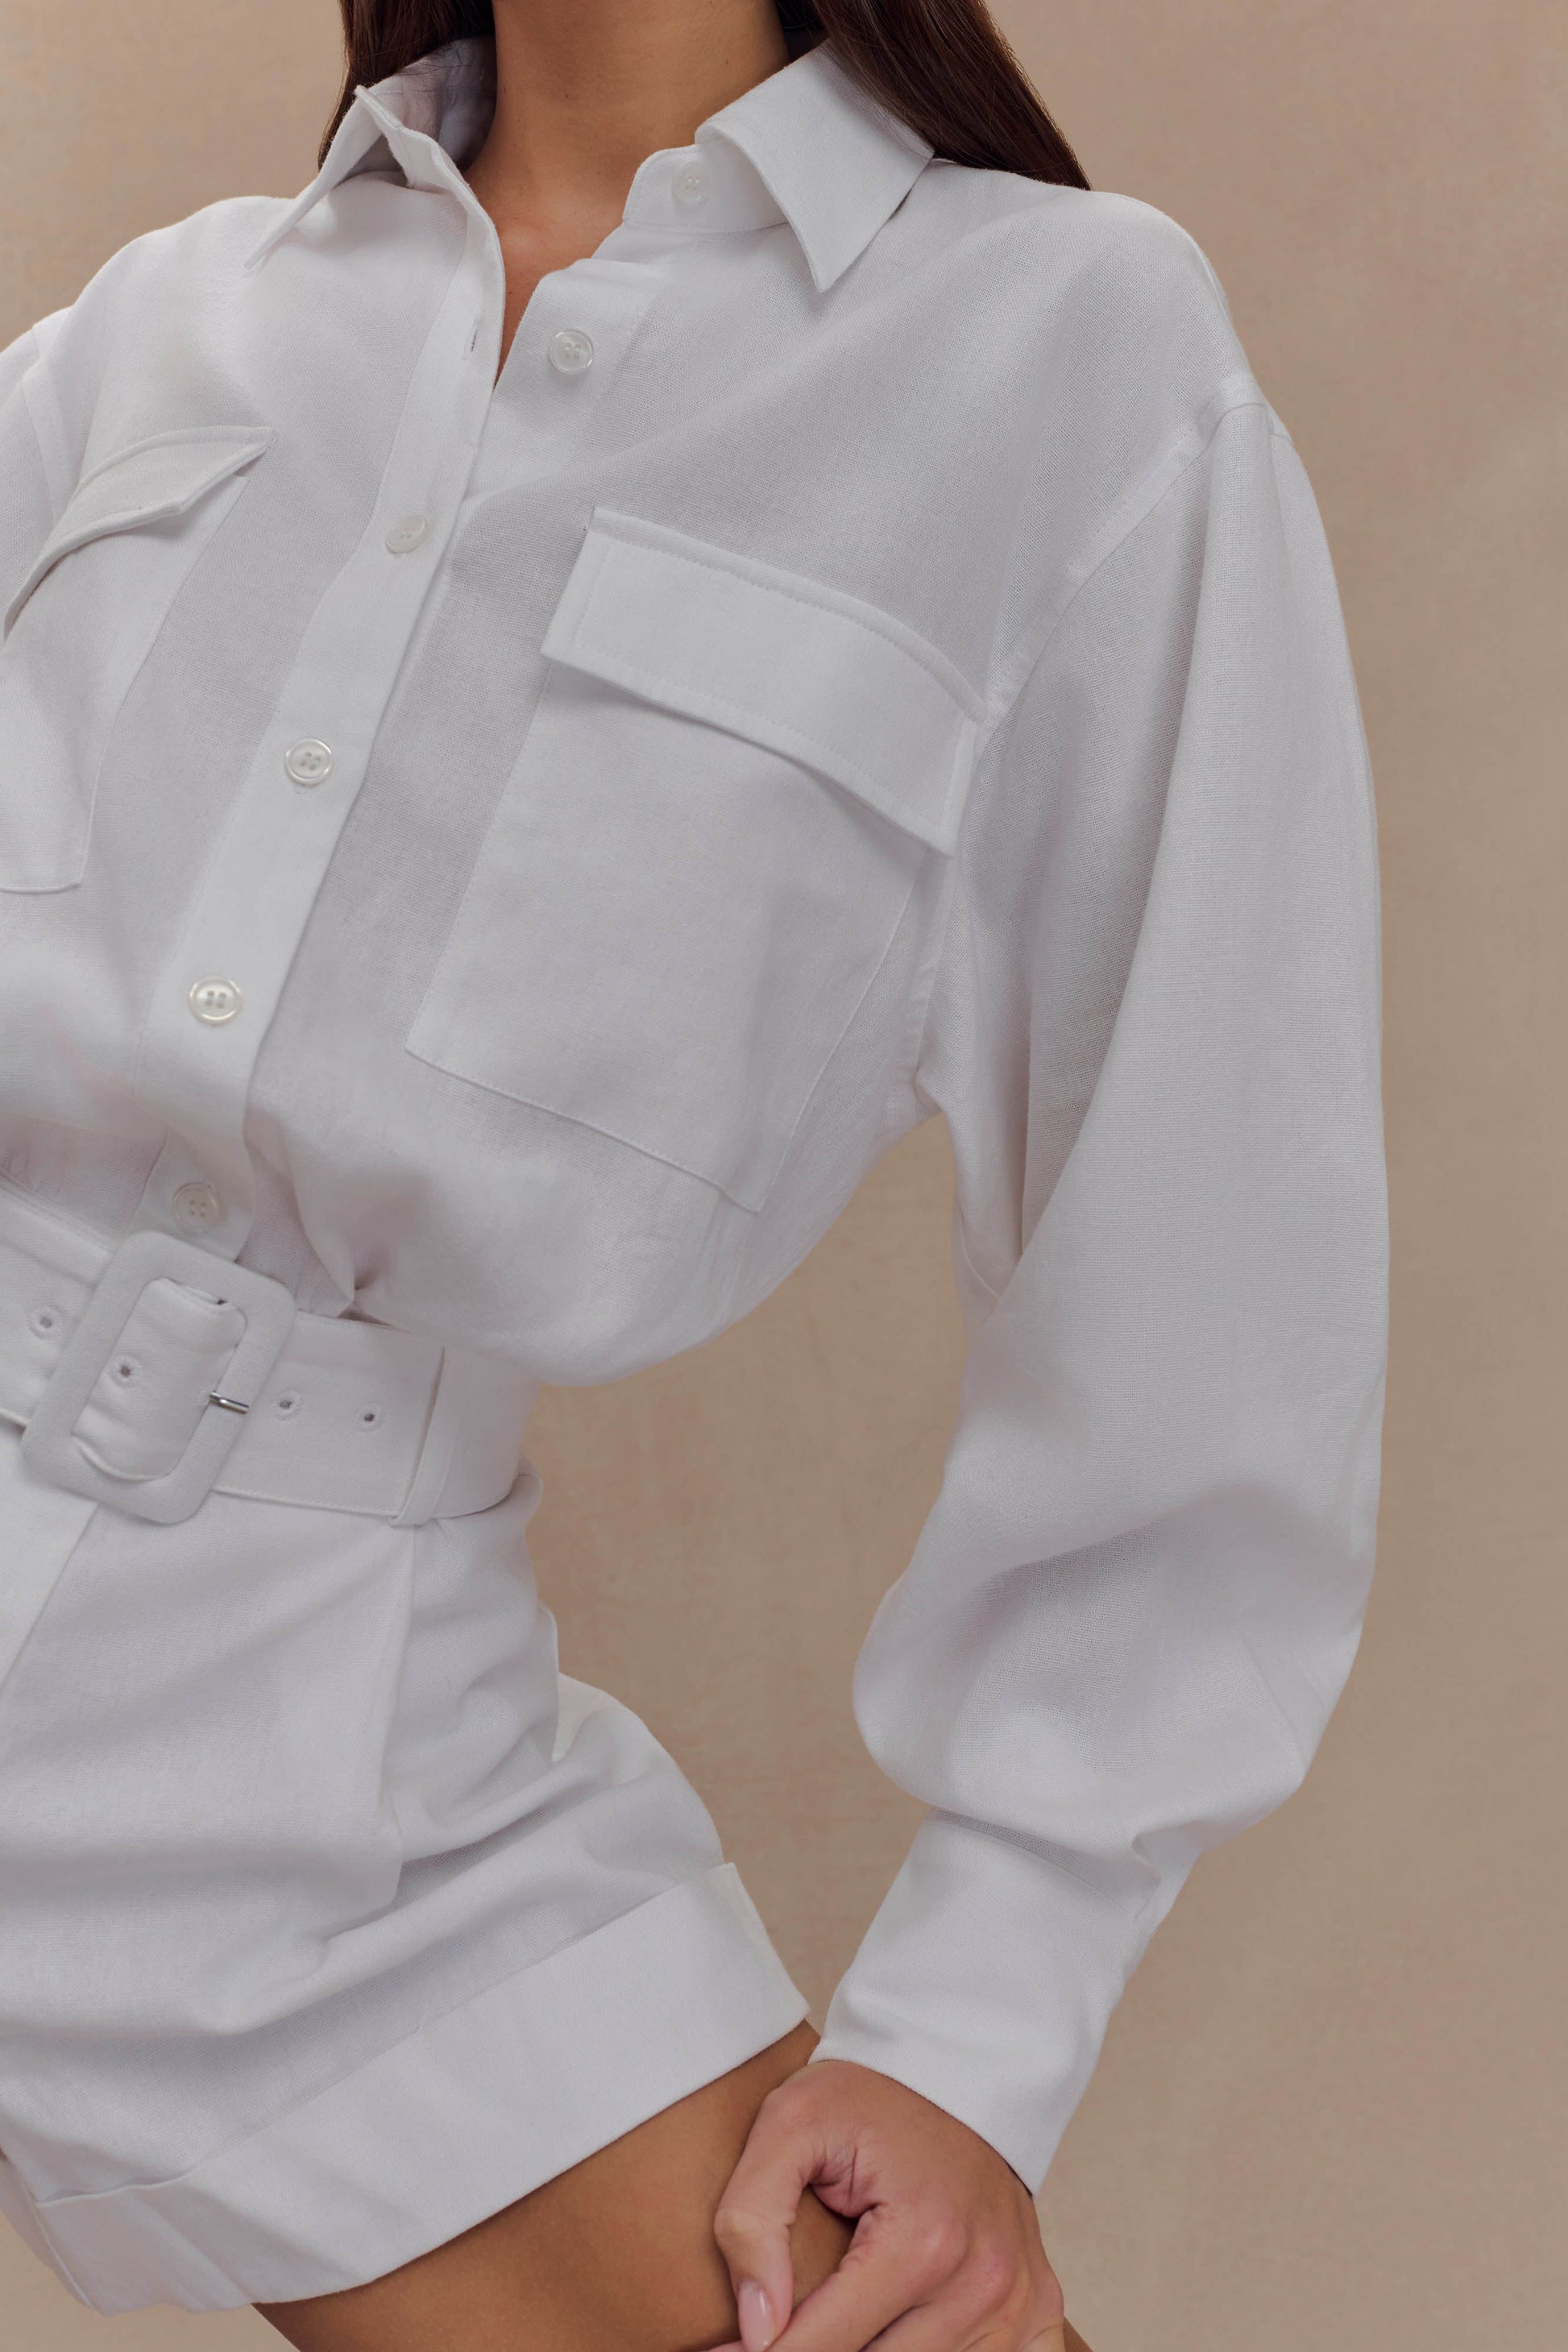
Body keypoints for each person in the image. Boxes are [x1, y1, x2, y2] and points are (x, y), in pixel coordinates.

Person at [0, 0, 1388, 2345]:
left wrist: (977, 2025)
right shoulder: (166, 323)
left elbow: (1204, 1250)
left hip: (338, 1776)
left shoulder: (1065, 353)